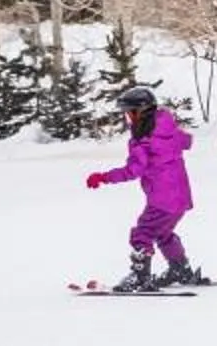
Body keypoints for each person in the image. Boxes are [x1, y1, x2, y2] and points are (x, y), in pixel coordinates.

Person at [86, 86, 202, 292]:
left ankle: (141, 278)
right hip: (181, 199)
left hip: (161, 200)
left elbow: (133, 170)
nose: (127, 118)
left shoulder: (143, 141)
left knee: (143, 233)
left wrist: (104, 177)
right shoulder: (169, 131)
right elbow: (187, 141)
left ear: (140, 112)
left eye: (129, 113)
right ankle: (180, 269)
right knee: (164, 233)